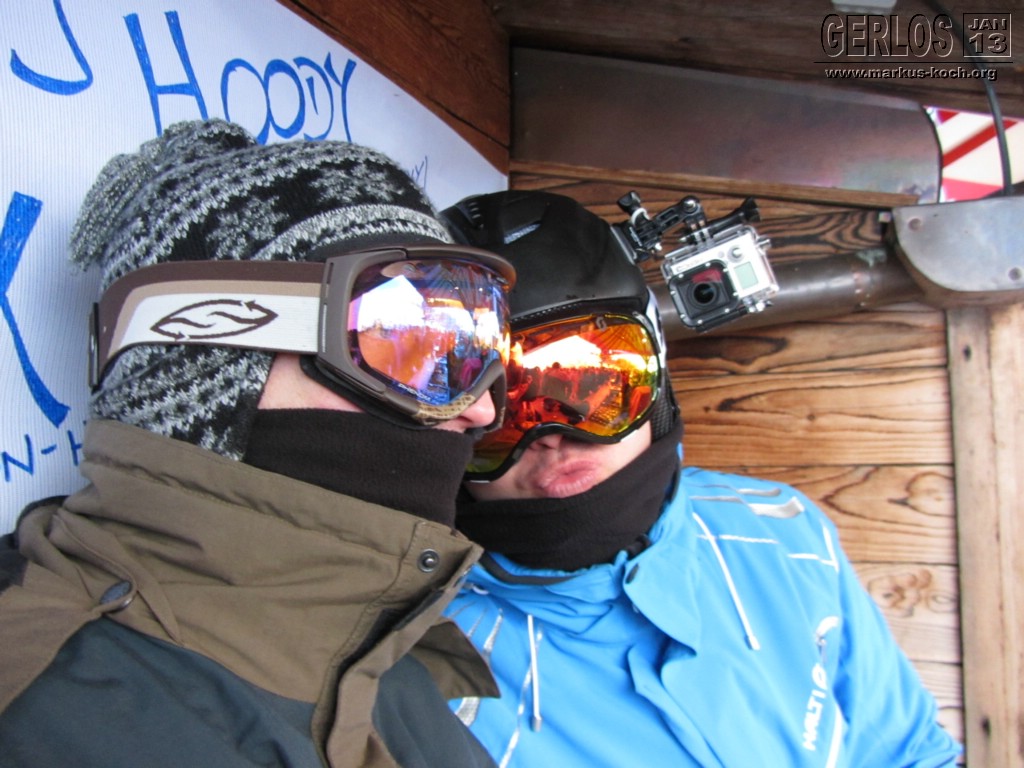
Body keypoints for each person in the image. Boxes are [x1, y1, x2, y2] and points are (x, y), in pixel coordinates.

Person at [0, 119, 513, 768]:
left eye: (474, 352)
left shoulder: (400, 671)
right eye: (409, 342)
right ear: (204, 363)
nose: (483, 410)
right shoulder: (33, 706)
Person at [440, 190, 963, 767]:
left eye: (589, 384)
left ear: (657, 373)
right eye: (497, 411)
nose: (551, 435)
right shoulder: (425, 673)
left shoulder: (782, 533)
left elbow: (909, 753)